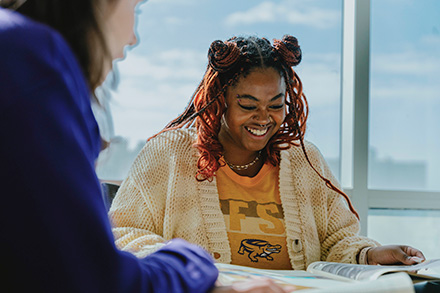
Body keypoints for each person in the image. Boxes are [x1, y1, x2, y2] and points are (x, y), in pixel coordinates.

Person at [109, 35, 425, 271]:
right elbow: (121, 234)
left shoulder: (304, 160)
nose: (264, 118)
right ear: (220, 101)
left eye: (276, 105)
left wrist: (368, 255)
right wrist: (190, 271)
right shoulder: (168, 154)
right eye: (247, 106)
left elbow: (335, 242)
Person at [0, 1, 243, 292]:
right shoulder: (29, 57)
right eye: (135, 8)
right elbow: (94, 280)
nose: (134, 37)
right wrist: (191, 261)